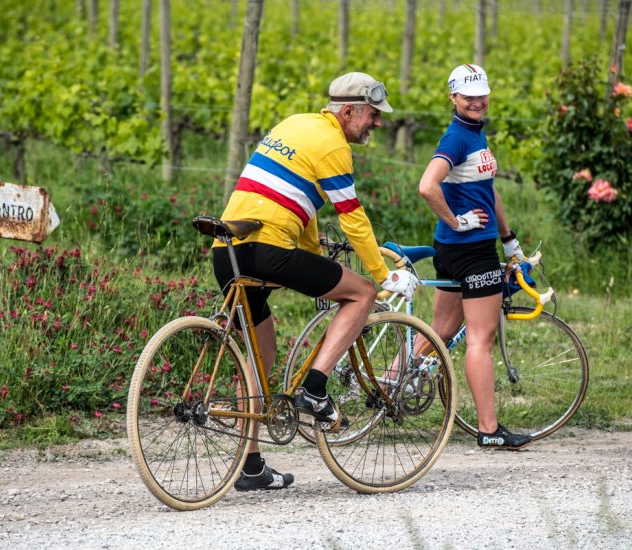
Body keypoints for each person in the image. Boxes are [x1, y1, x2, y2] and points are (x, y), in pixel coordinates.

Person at [212, 72, 419, 490]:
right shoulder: (334, 146)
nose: (378, 123)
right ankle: (315, 389)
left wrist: (314, 252)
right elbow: (353, 217)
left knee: (262, 349)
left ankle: (249, 465)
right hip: (268, 250)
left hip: (227, 251)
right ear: (349, 112)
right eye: (373, 115)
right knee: (362, 293)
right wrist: (383, 274)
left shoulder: (295, 125)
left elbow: (299, 206)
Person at [417, 64, 533, 450]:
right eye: (468, 96)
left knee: (440, 332)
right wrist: (457, 220)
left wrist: (509, 238)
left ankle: (388, 387)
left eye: (481, 94)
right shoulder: (457, 138)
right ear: (453, 97)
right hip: (470, 250)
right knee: (480, 340)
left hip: (455, 248)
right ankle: (489, 429)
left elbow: (488, 190)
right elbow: (427, 186)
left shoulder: (475, 133)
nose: (476, 101)